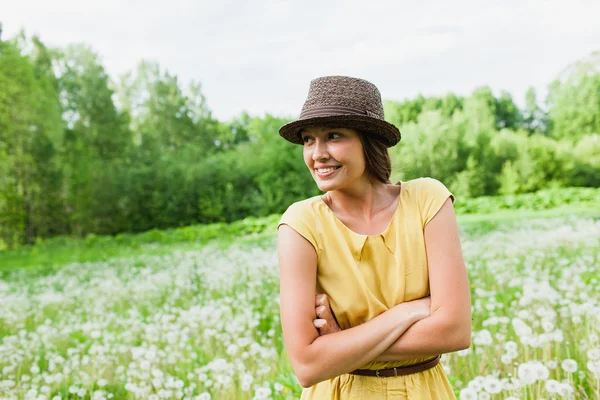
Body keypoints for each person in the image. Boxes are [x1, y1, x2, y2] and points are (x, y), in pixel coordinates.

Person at [276, 76, 471, 399]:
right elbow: (308, 365)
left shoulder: (427, 200)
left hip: (425, 390)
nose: (317, 153)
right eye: (309, 140)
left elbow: (455, 331)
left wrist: (342, 343)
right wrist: (406, 312)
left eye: (333, 136)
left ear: (368, 141)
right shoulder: (300, 224)